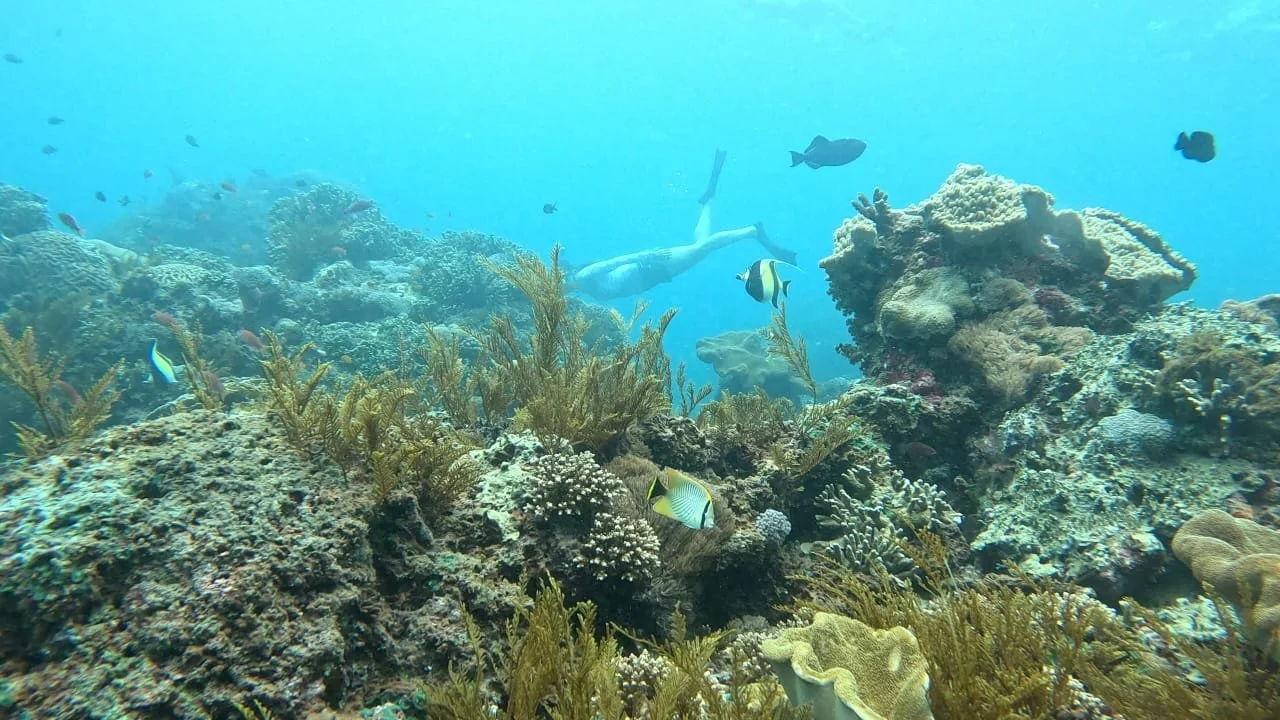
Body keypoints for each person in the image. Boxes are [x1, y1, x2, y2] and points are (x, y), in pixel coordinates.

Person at [569, 150, 797, 301]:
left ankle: (752, 231)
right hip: (653, 274)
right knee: (700, 245)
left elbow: (616, 261)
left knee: (702, 248)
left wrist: (648, 256)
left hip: (651, 267)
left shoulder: (582, 276)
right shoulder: (587, 289)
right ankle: (709, 197)